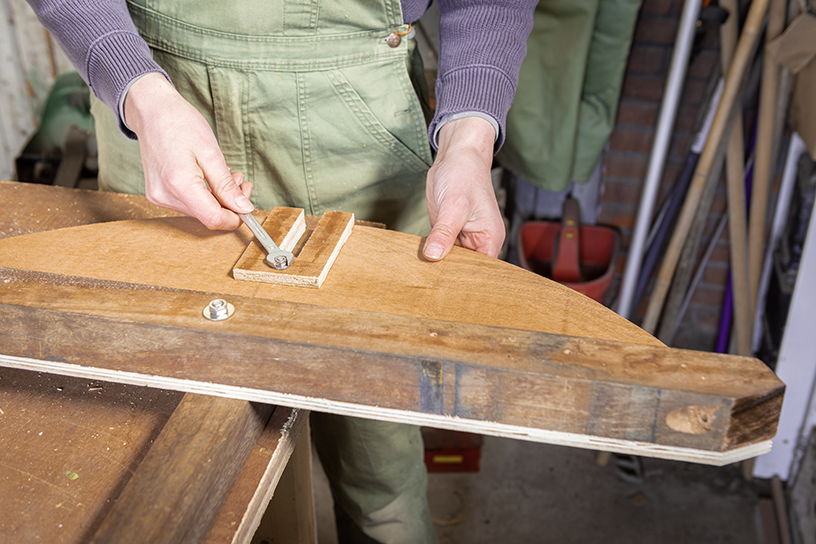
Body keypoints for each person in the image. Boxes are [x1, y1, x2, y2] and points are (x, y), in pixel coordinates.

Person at [29, 1, 536, 542]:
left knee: (377, 456)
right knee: (162, 451)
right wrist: (136, 91)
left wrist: (468, 139)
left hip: (355, 120)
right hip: (156, 100)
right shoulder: (146, 102)